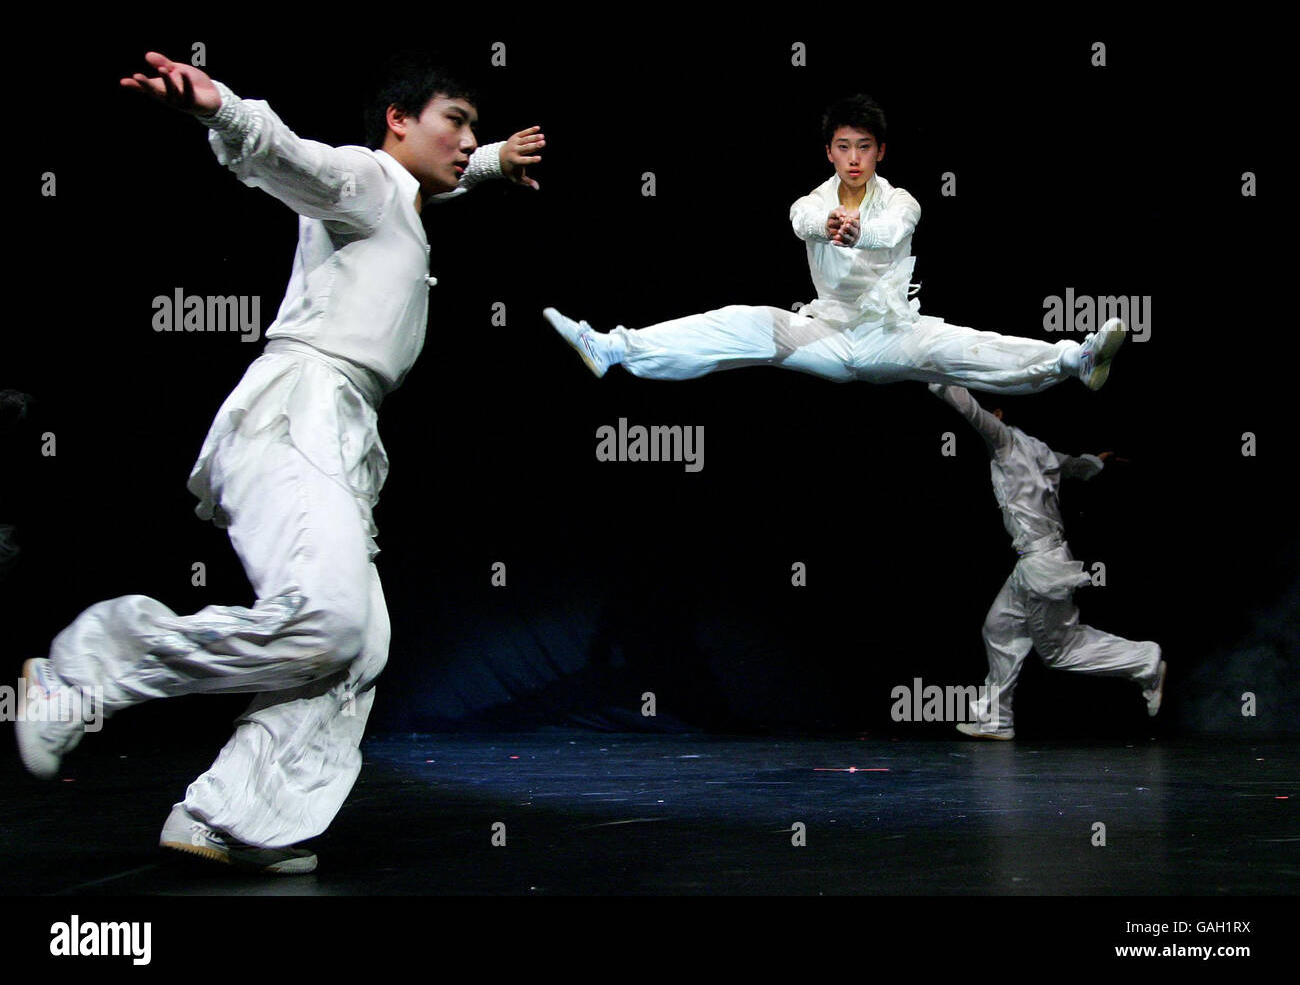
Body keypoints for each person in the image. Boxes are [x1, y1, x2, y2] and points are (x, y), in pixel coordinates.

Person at [15, 51, 545, 873]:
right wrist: (219, 107)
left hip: (333, 424)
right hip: (301, 411)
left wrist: (487, 163)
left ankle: (233, 819)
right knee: (331, 621)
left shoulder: (400, 200)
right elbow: (287, 157)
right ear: (398, 123)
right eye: (457, 122)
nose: (467, 139)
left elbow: (440, 176)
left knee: (357, 644)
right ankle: (84, 672)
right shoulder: (365, 180)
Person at [543, 94, 1123, 393]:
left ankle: (1077, 358)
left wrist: (859, 230)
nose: (853, 157)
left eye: (864, 146)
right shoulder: (810, 203)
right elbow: (801, 221)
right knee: (744, 320)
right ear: (829, 152)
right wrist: (828, 226)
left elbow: (894, 230)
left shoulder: (902, 201)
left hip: (892, 334)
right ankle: (613, 348)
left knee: (966, 347)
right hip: (826, 331)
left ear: (880, 152)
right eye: (843, 146)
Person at [928, 383, 1165, 740]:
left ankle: (1146, 662)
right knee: (999, 628)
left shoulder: (1006, 442)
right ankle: (996, 720)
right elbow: (1074, 467)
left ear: (1000, 416)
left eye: (993, 419)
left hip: (1043, 564)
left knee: (1060, 650)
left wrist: (936, 375)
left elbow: (970, 411)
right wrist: (1097, 463)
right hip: (1035, 562)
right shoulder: (1040, 450)